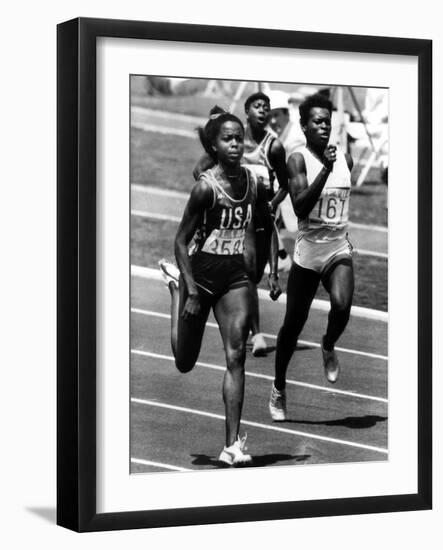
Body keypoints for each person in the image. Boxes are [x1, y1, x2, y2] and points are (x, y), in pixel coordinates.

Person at [159, 106, 281, 465]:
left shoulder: (253, 183)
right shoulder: (204, 188)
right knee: (184, 362)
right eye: (227, 139)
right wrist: (191, 290)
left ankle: (232, 445)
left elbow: (267, 223)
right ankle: (174, 288)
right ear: (213, 146)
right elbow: (180, 242)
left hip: (234, 277)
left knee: (236, 354)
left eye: (239, 138)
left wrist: (273, 270)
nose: (235, 145)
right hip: (199, 276)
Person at [269, 93, 354, 422]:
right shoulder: (298, 159)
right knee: (292, 325)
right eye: (316, 121)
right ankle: (278, 386)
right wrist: (326, 170)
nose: (323, 126)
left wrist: (335, 165)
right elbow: (301, 206)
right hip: (308, 252)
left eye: (327, 122)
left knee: (342, 306)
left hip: (337, 247)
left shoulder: (344, 157)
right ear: (304, 125)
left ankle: (329, 344)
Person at [193, 92, 288, 357]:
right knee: (245, 275)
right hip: (241, 217)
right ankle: (256, 334)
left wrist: (272, 202)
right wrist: (214, 189)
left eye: (266, 108)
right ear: (246, 112)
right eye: (257, 106)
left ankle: (247, 321)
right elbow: (199, 169)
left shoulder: (274, 147)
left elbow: (286, 184)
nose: (263, 111)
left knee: (253, 277)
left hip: (264, 215)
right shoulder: (233, 140)